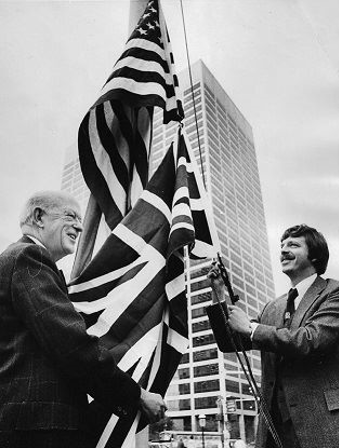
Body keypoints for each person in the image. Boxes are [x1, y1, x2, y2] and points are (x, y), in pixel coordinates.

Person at [0, 191, 167, 448]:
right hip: (42, 429)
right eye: (70, 216)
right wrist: (137, 395)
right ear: (38, 217)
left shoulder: (18, 261)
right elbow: (72, 344)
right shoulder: (28, 257)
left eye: (80, 218)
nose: (79, 226)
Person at [207, 224, 339, 448]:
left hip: (319, 424)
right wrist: (218, 294)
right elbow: (230, 344)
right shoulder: (272, 307)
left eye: (293, 245)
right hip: (273, 430)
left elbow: (310, 340)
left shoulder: (333, 293)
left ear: (315, 256)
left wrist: (251, 328)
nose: (284, 250)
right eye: (282, 245)